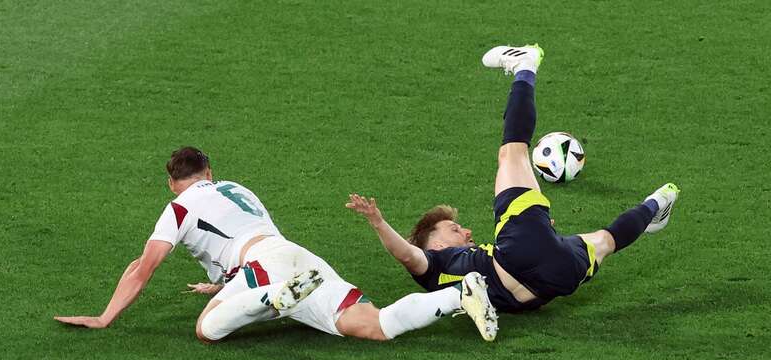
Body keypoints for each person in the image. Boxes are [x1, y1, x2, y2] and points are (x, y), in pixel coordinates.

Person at [346, 43, 680, 314]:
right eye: (453, 229)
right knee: (512, 153)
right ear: (435, 244)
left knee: (606, 241)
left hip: (554, 280)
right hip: (522, 249)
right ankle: (525, 65)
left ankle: (657, 203)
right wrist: (377, 222)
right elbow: (406, 254)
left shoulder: (445, 280)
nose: (466, 230)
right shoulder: (432, 264)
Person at [55, 147, 498, 342]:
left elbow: (143, 266)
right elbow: (242, 239)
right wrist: (218, 282)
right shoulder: (238, 189)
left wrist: (106, 315)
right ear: (210, 171)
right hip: (299, 258)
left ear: (172, 183)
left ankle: (270, 298)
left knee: (206, 330)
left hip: (265, 272)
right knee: (376, 325)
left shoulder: (179, 207)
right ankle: (458, 293)